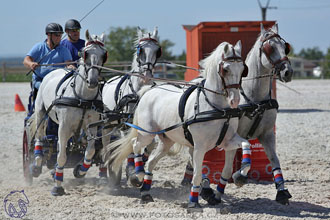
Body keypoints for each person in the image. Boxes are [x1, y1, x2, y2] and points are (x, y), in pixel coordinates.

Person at [23, 23, 74, 92]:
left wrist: (71, 66)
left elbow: (69, 64)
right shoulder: (39, 47)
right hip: (40, 79)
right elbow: (26, 60)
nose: (59, 38)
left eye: (60, 35)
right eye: (56, 35)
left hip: (57, 81)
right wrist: (31, 64)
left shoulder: (64, 50)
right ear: (48, 35)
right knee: (46, 90)